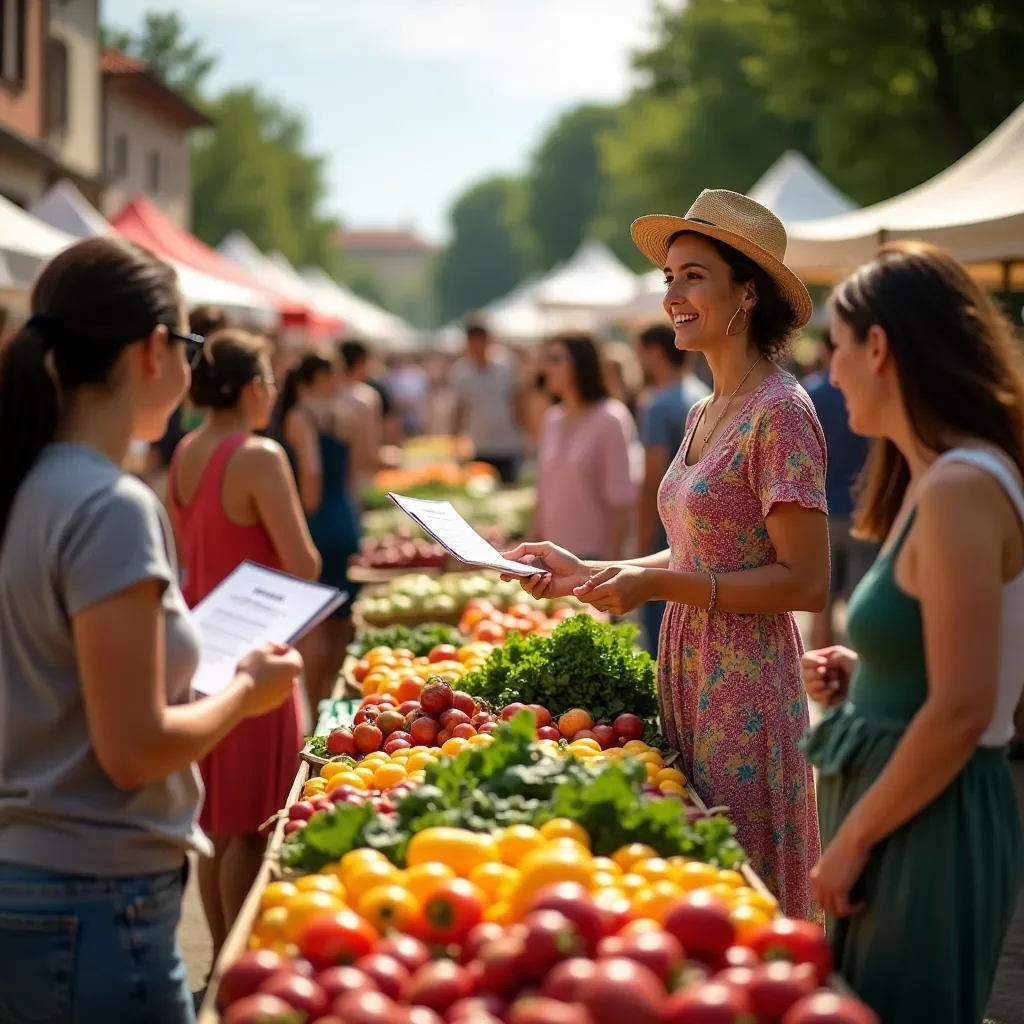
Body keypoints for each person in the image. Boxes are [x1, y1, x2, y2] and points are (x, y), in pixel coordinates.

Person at [503, 190, 830, 918]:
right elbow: (688, 547)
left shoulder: (781, 412)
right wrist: (586, 570)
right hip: (687, 666)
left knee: (737, 898)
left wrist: (662, 590)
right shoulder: (701, 409)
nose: (673, 295)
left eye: (693, 276)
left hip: (745, 686)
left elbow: (807, 581)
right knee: (696, 888)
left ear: (746, 294)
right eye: (669, 279)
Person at [0, 237, 302, 1023]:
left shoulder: (31, 484)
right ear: (154, 350)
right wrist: (245, 692)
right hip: (93, 894)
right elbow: (132, 750)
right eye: (189, 345)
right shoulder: (106, 503)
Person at [801, 241, 1024, 1023]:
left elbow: (965, 708)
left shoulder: (962, 485)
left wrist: (854, 837)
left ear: (880, 348)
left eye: (833, 349)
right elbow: (957, 666)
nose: (828, 373)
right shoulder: (943, 478)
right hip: (913, 806)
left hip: (928, 819)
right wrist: (871, 673)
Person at [167, 329, 320, 961]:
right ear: (255, 387)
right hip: (255, 657)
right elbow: (304, 564)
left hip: (199, 652)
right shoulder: (258, 455)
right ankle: (238, 966)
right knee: (253, 830)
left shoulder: (184, 452)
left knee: (217, 824)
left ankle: (220, 968)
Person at [281, 352, 361, 710]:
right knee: (342, 621)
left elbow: (311, 472)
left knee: (314, 622)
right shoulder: (339, 415)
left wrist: (305, 515)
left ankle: (316, 706)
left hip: (319, 521)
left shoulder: (300, 417)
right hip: (344, 515)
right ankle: (335, 700)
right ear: (320, 378)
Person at [635, 323, 711, 653]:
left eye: (640, 352)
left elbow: (653, 478)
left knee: (659, 632)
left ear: (654, 353)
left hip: (665, 527)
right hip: (699, 528)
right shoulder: (701, 395)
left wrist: (640, 545)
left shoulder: (658, 405)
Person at [532, 333, 638, 561]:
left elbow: (622, 502)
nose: (546, 368)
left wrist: (609, 567)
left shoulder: (611, 418)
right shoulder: (552, 418)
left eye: (556, 359)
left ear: (582, 364)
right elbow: (542, 492)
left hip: (593, 557)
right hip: (550, 555)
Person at [803, 333, 877, 648]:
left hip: (821, 513)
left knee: (821, 605)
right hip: (864, 509)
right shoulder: (866, 389)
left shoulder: (810, 393)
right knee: (863, 604)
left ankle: (824, 673)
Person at [451, 320, 522, 483]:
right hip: (478, 446)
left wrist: (524, 435)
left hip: (507, 444)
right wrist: (455, 441)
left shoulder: (506, 368)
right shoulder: (461, 372)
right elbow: (460, 409)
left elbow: (517, 402)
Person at [337, 338, 386, 502]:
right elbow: (368, 452)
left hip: (333, 481)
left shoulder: (327, 396)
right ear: (361, 362)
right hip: (360, 481)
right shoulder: (366, 397)